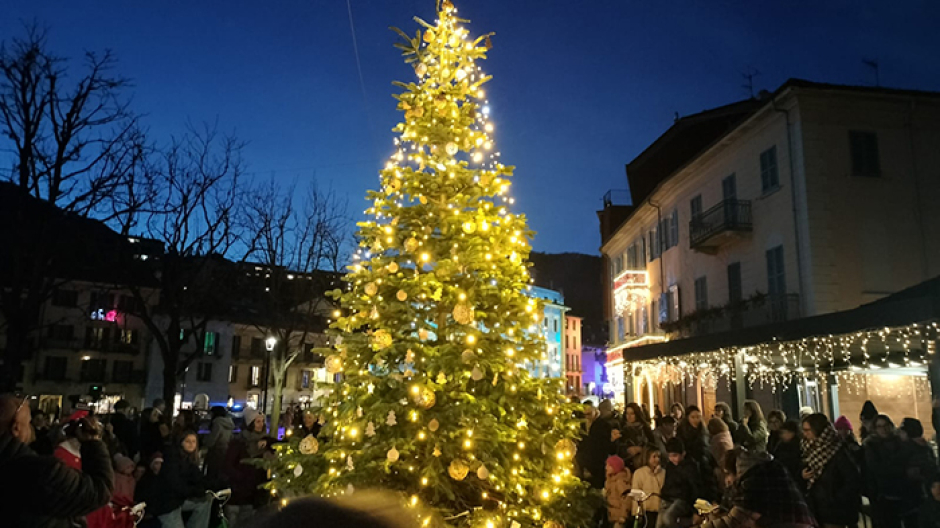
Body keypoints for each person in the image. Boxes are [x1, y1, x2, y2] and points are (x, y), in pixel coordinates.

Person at [0, 394, 114, 528]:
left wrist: (52, 437)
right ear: (16, 428)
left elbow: (20, 451)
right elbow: (100, 491)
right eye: (29, 423)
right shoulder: (43, 473)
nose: (31, 429)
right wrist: (93, 442)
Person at [701, 450, 816, 528]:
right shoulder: (766, 470)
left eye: (728, 474)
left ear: (737, 470)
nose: (727, 480)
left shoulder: (755, 480)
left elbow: (737, 520)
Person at [802, 413, 861, 528]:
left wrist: (835, 499)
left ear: (818, 430)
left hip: (834, 510)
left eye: (807, 430)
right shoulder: (808, 448)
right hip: (817, 507)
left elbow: (852, 479)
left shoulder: (838, 450)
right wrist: (802, 475)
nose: (804, 434)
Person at [151, 431, 212, 528]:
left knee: (205, 501)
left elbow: (199, 478)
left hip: (179, 499)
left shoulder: (189, 460)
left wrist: (215, 485)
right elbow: (175, 485)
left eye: (194, 441)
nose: (191, 444)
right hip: (166, 504)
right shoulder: (172, 458)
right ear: (181, 442)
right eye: (188, 441)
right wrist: (196, 491)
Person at [223, 407, 273, 526]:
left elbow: (281, 444)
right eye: (258, 421)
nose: (261, 425)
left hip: (254, 494)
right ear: (250, 423)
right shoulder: (239, 442)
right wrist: (242, 477)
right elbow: (228, 465)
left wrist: (268, 441)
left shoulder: (265, 441)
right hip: (238, 492)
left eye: (262, 421)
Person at [658, 438, 701, 528]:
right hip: (668, 498)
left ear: (683, 453)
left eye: (675, 455)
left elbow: (694, 489)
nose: (672, 459)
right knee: (659, 523)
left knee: (667, 518)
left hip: (683, 500)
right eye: (670, 456)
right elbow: (667, 483)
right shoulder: (670, 466)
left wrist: (695, 510)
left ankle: (691, 522)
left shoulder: (690, 467)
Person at [578, 399, 617, 489]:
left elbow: (605, 446)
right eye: (585, 414)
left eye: (589, 414)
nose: (587, 417)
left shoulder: (604, 425)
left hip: (598, 465)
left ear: (595, 411)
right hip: (584, 464)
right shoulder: (582, 425)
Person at [614, 402, 655, 469]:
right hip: (626, 465)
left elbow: (653, 445)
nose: (629, 416)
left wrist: (641, 449)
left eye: (632, 413)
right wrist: (627, 450)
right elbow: (617, 448)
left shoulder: (645, 429)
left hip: (644, 464)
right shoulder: (622, 429)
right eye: (627, 413)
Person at [633, 448, 666, 528]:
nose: (657, 459)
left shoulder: (663, 473)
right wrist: (636, 512)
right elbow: (636, 493)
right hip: (646, 510)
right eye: (654, 457)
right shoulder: (639, 473)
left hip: (660, 510)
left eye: (658, 457)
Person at [203, 406, 234, 483]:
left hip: (216, 454)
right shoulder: (229, 424)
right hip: (226, 453)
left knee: (213, 477)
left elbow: (212, 440)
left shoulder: (217, 423)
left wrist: (204, 441)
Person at [605, 455, 633, 528]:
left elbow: (626, 499)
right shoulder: (610, 481)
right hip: (612, 517)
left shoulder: (620, 481)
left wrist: (623, 516)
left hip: (619, 518)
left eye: (608, 466)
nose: (606, 468)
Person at [772, 421, 802, 487]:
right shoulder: (781, 444)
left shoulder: (797, 446)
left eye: (784, 432)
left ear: (792, 433)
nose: (782, 435)